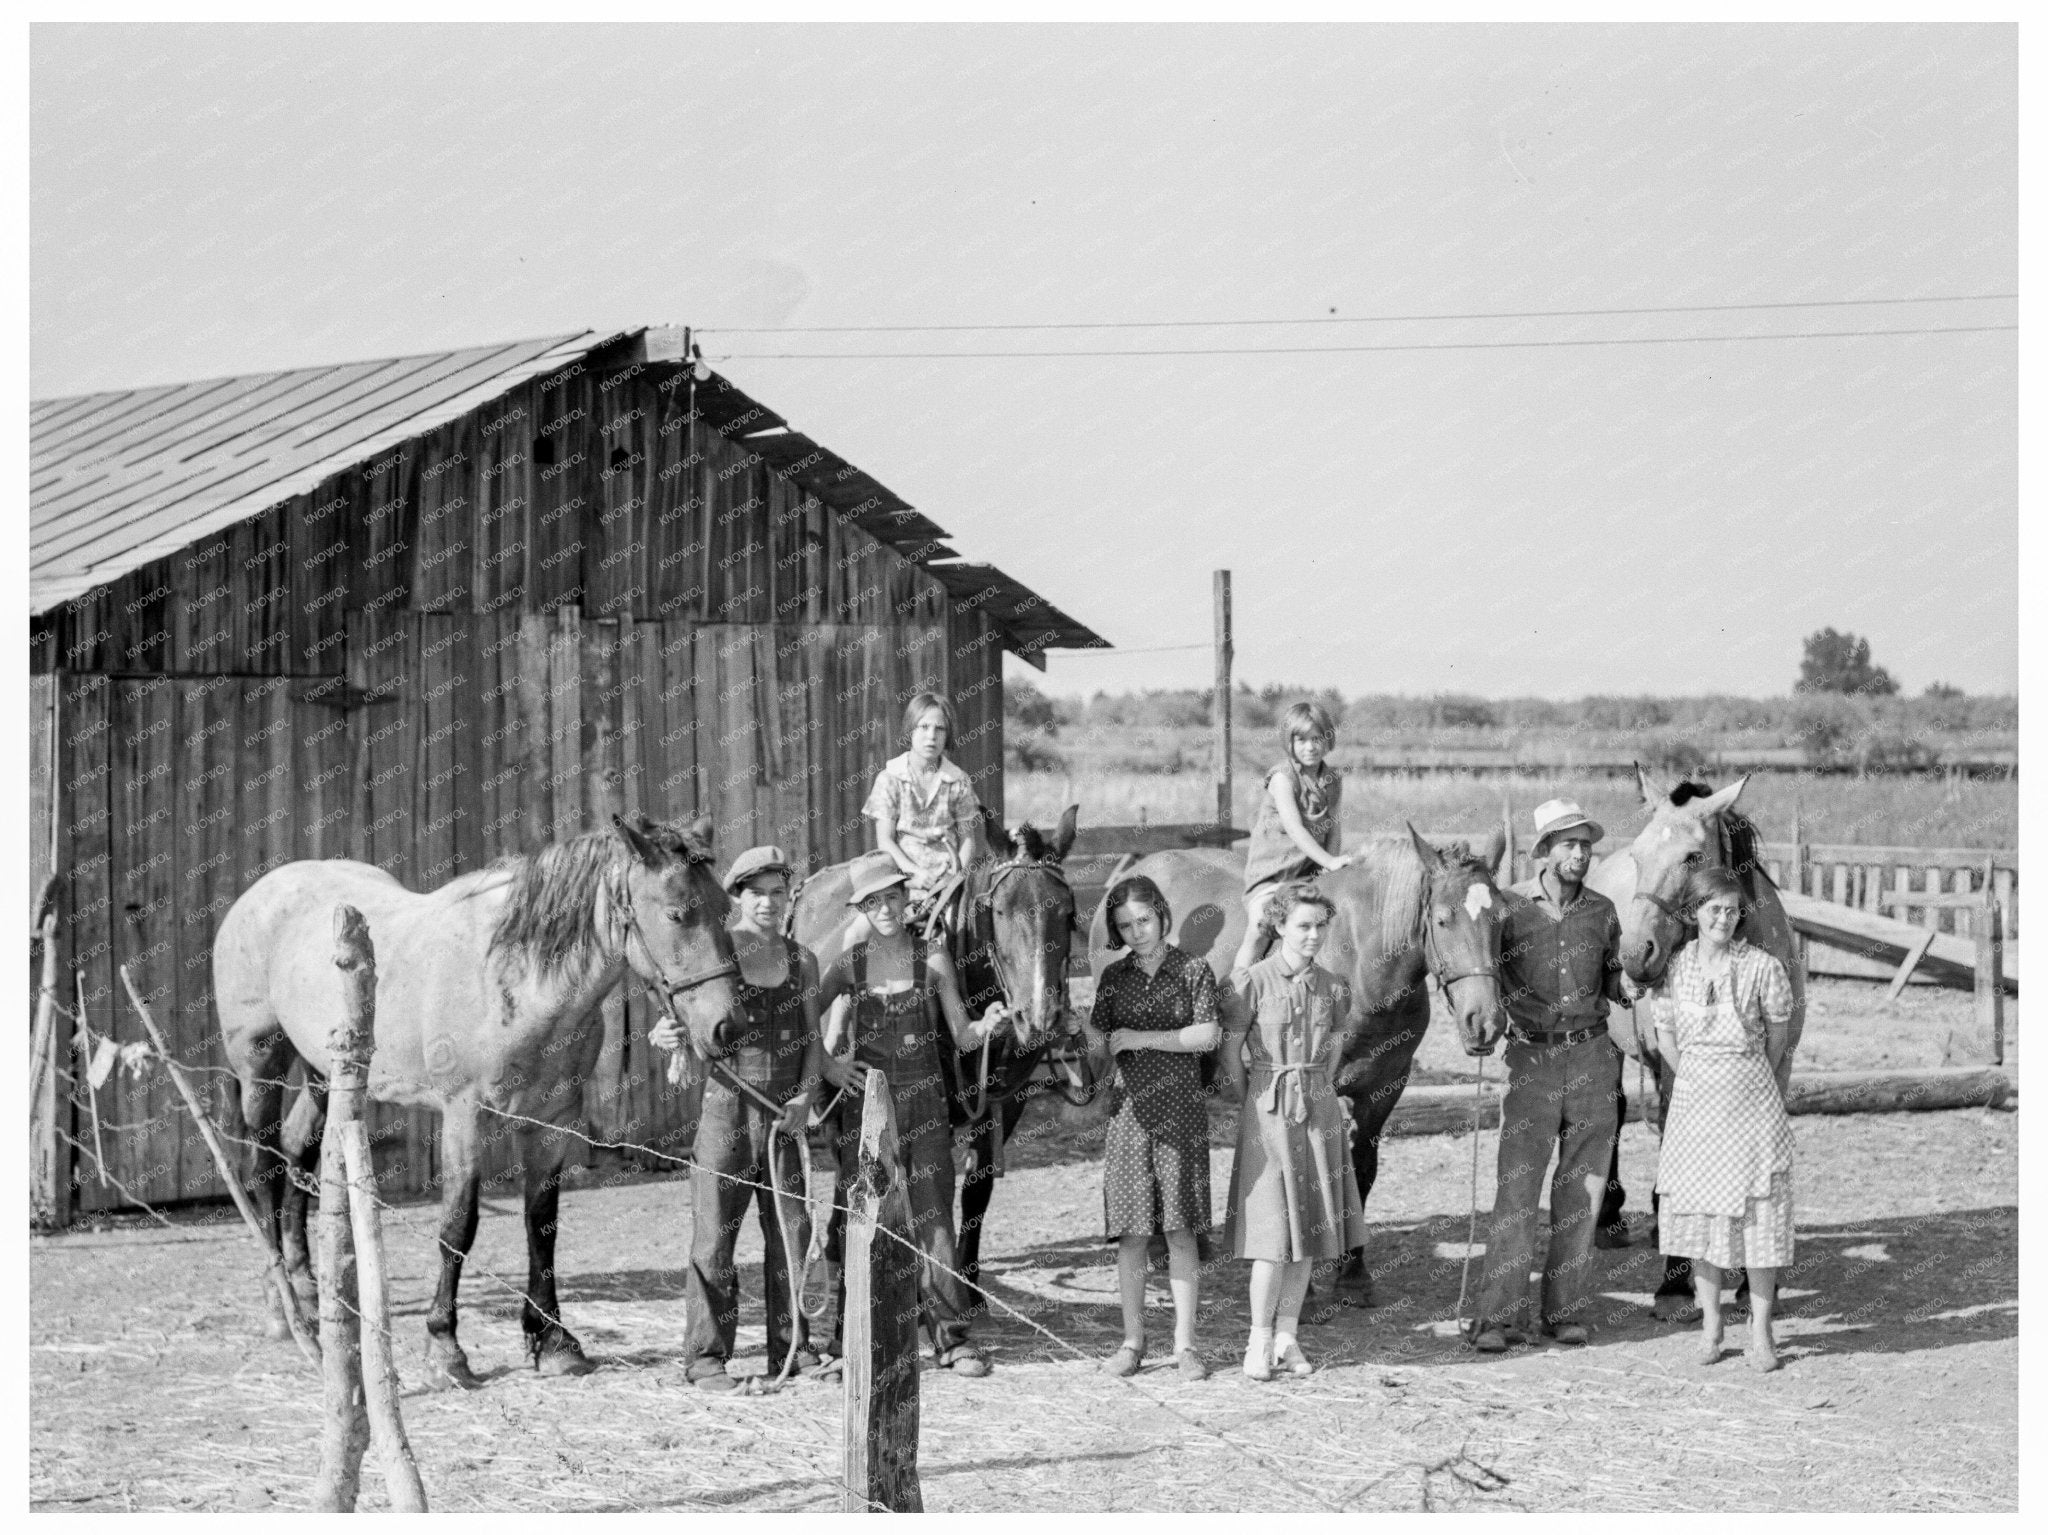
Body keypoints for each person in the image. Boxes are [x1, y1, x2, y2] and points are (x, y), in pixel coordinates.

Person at [811, 852, 1006, 1376]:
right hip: (867, 1106)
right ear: (863, 909)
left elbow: (962, 1035)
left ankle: (950, 1338)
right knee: (863, 1216)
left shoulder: (933, 959)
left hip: (925, 1101)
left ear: (906, 900)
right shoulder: (850, 964)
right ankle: (848, 1342)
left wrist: (989, 1025)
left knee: (934, 1215)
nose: (886, 909)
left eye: (892, 898)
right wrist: (829, 1068)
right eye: (873, 902)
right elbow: (799, 1010)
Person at [650, 845, 825, 1392]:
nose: (769, 904)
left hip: (784, 1122)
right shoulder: (716, 953)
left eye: (778, 893)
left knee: (792, 1235)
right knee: (714, 1239)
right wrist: (664, 1035)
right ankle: (705, 1359)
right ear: (737, 898)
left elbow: (815, 1044)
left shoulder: (804, 961)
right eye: (757, 894)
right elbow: (677, 1024)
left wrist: (805, 1098)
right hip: (727, 1113)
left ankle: (792, 1350)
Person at [1469, 799, 1637, 1354]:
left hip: (1593, 1058)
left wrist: (1624, 986)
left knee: (1583, 1194)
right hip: (1532, 1063)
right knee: (1517, 1192)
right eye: (1569, 843)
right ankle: (1497, 1318)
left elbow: (1611, 976)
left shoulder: (1604, 911)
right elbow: (1481, 971)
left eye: (1586, 843)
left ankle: (1564, 1313)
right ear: (1544, 850)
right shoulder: (1509, 907)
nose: (1580, 853)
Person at [1653, 866, 1797, 1373]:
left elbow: (1778, 1038)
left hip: (1751, 1102)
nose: (1724, 919)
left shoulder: (1762, 967)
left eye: (1733, 911)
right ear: (1694, 914)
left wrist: (1744, 1072)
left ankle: (1760, 1333)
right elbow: (1666, 1033)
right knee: (1699, 1220)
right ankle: (1712, 1324)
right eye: (1714, 909)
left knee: (1758, 1219)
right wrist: (1692, 1075)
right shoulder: (1675, 967)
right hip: (1696, 1106)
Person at [1223, 882, 1366, 1381]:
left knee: (1310, 1229)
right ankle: (1257, 1340)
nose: (1313, 935)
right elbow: (1230, 1049)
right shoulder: (1252, 981)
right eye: (1303, 925)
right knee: (1271, 1234)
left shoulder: (1334, 985)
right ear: (1279, 926)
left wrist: (1323, 1087)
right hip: (1268, 1109)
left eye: (1320, 926)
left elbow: (1337, 1039)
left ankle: (1288, 1338)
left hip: (1317, 1111)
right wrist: (1257, 1098)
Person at [1086, 875, 1222, 1382]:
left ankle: (1186, 1345)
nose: (1136, 931)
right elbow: (1102, 1043)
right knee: (1133, 1235)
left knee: (1181, 1229)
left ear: (1162, 913)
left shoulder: (1193, 969)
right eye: (1125, 925)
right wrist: (1088, 1034)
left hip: (1180, 1112)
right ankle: (1132, 1341)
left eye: (1143, 920)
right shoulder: (1114, 979)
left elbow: (1207, 1035)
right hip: (1128, 1115)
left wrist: (1140, 1037)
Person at [1231, 701, 1353, 973]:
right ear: (1289, 742)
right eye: (1301, 740)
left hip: (1310, 872)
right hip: (1274, 873)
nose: (1310, 747)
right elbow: (1295, 828)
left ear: (1328, 739)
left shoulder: (1332, 779)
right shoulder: (1282, 779)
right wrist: (1328, 861)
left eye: (1317, 738)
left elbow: (1334, 826)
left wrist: (1330, 866)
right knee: (1261, 924)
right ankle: (1238, 984)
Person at [863, 691, 987, 927]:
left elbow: (968, 839)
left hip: (949, 883)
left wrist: (954, 877)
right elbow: (885, 840)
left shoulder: (957, 781)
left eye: (939, 729)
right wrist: (915, 873)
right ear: (911, 730)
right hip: (902, 880)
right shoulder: (890, 778)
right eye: (923, 727)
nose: (931, 736)